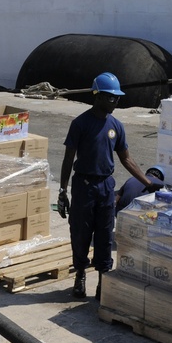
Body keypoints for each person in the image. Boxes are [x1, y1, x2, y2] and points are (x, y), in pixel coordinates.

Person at [59, 72, 154, 300]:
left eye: (117, 97)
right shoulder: (80, 124)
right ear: (98, 96)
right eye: (111, 97)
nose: (115, 101)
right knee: (81, 232)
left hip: (106, 187)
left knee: (104, 234)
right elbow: (68, 158)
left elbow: (126, 159)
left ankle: (103, 279)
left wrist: (149, 183)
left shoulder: (116, 126)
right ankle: (80, 274)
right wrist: (62, 191)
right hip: (84, 186)